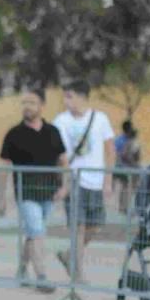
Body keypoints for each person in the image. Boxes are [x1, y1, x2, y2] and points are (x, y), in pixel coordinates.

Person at [0, 89, 67, 293]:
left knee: (33, 234)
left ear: (41, 106)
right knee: (37, 231)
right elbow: (3, 166)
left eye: (32, 102)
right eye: (24, 102)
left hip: (49, 193)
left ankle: (21, 269)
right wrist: (0, 197)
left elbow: (63, 161)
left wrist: (64, 186)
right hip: (26, 193)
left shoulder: (52, 131)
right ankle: (42, 276)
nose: (27, 106)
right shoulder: (14, 134)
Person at [53, 80, 115, 283]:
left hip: (96, 181)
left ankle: (69, 254)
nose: (66, 101)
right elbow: (59, 155)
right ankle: (77, 274)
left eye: (69, 96)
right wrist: (64, 183)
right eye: (65, 97)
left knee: (95, 225)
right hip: (74, 180)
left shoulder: (100, 119)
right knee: (77, 227)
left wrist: (108, 179)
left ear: (82, 97)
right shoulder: (60, 121)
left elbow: (110, 150)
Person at [113, 120, 142, 213]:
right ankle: (124, 207)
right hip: (123, 167)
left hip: (120, 166)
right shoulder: (127, 140)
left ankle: (123, 207)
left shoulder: (119, 139)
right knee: (127, 187)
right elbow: (124, 156)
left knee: (125, 187)